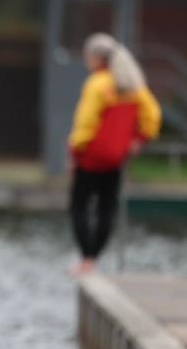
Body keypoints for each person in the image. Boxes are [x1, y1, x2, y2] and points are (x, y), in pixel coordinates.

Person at [67, 33, 162, 275]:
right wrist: (139, 139)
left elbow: (86, 123)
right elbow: (152, 115)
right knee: (106, 209)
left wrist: (75, 151)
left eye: (88, 56)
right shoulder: (133, 85)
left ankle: (86, 258)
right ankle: (94, 258)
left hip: (90, 158)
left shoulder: (97, 84)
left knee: (79, 207)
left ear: (97, 58)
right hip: (116, 159)